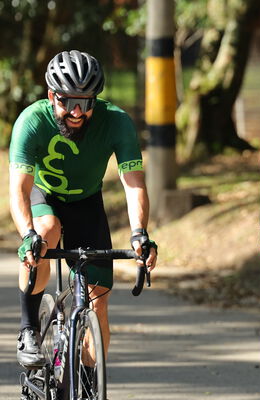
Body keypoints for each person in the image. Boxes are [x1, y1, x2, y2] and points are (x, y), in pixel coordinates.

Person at [9, 50, 158, 369]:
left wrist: (139, 233)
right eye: (67, 101)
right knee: (45, 233)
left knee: (98, 301)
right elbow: (19, 189)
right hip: (43, 195)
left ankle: (89, 382)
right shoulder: (32, 121)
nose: (77, 111)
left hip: (87, 202)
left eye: (86, 102)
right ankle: (28, 329)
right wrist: (27, 235)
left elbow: (133, 184)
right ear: (51, 96)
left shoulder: (116, 122)